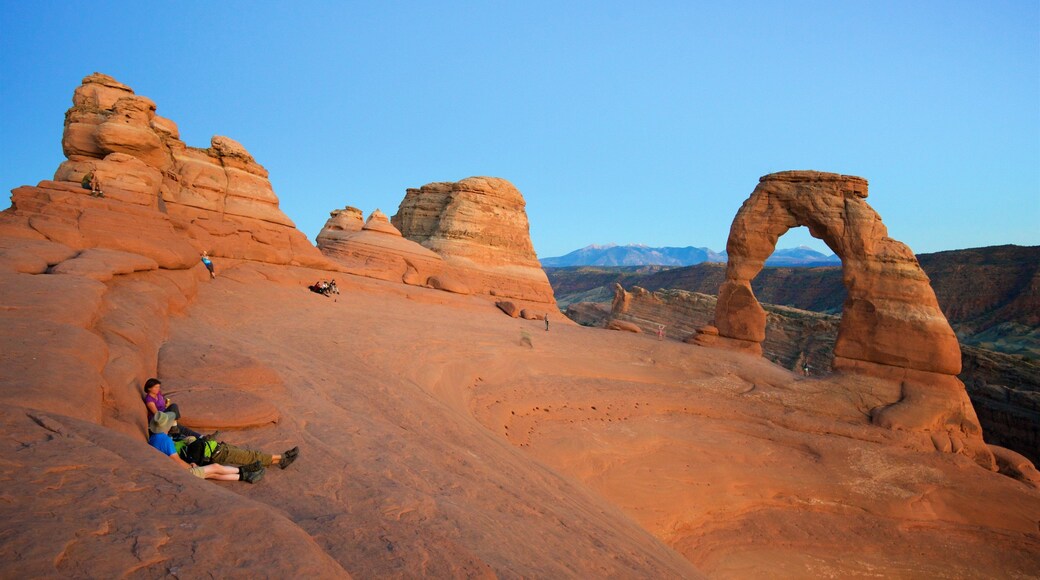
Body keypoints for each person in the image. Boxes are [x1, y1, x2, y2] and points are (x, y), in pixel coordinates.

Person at [151, 411, 300, 470]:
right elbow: (180, 461)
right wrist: (193, 465)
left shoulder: (158, 439)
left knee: (248, 454)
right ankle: (282, 458)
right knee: (249, 456)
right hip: (215, 453)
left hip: (214, 448)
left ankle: (279, 460)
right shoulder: (165, 442)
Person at [148, 411, 265, 483]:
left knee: (212, 474)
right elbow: (177, 461)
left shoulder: (153, 438)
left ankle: (244, 476)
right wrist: (192, 466)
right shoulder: (166, 440)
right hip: (185, 472)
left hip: (174, 470)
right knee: (215, 467)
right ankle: (242, 470)